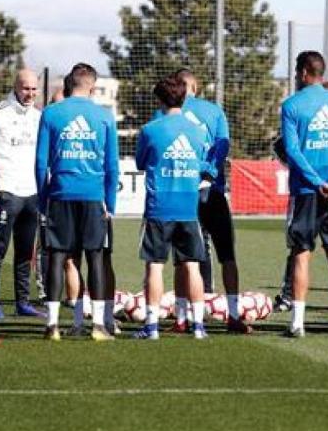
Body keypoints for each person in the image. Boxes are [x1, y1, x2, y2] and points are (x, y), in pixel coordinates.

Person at [36, 63, 119, 341]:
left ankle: (52, 326)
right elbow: (112, 166)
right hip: (94, 196)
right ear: (92, 87)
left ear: (70, 84)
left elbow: (40, 163)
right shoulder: (104, 116)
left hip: (60, 194)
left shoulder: (50, 113)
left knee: (57, 257)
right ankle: (97, 326)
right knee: (95, 257)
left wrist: (43, 197)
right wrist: (111, 203)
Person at [280, 51, 328, 338]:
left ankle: (297, 323)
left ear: (303, 73)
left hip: (306, 191)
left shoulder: (291, 105)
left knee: (302, 254)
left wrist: (315, 182)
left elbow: (292, 150)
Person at [168, 69, 250, 334]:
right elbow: (222, 146)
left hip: (182, 192)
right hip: (212, 191)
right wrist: (210, 169)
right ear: (196, 86)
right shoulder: (214, 111)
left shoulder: (169, 112)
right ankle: (234, 316)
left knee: (183, 259)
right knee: (227, 254)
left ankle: (182, 318)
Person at [134, 74, 210, 340]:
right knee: (192, 266)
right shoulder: (198, 132)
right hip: (188, 207)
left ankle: (152, 327)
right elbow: (203, 164)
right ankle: (199, 326)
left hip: (159, 207)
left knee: (155, 267)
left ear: (159, 99)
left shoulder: (150, 130)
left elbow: (141, 163)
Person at [0, 69, 44, 320]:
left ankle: (23, 301)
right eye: (25, 88)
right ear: (15, 87)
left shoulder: (39, 116)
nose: (29, 94)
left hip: (32, 193)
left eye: (33, 89)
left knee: (25, 252)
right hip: (5, 191)